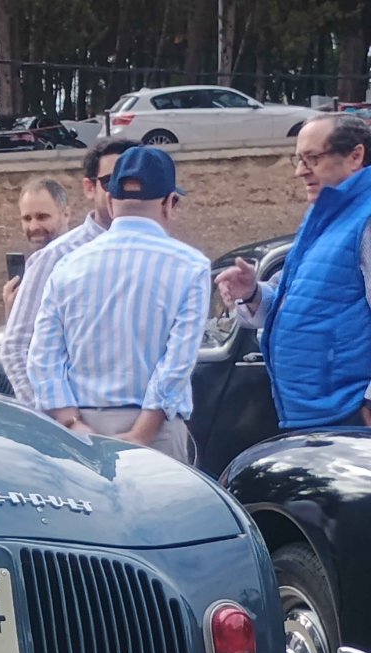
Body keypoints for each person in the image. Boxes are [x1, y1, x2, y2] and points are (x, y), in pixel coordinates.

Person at [25, 146, 210, 464]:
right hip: (157, 432)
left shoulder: (68, 265)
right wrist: (141, 434)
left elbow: (41, 359)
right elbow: (177, 364)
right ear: (170, 203)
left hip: (79, 429)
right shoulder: (191, 266)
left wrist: (72, 423)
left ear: (110, 201)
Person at [214, 114, 371, 430]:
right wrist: (252, 293)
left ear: (355, 156)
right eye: (299, 160)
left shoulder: (364, 219)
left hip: (349, 414)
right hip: (321, 412)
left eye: (313, 159)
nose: (301, 172)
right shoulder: (327, 215)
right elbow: (302, 302)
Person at [1, 138, 138, 402]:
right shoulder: (55, 257)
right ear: (90, 187)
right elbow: (17, 347)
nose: (123, 190)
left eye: (134, 181)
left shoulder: (169, 258)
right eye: (111, 181)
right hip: (83, 423)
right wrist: (54, 421)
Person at [1, 177, 72, 314]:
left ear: (66, 214)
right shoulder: (34, 266)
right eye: (27, 219)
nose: (33, 227)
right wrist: (13, 311)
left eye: (42, 217)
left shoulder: (81, 263)